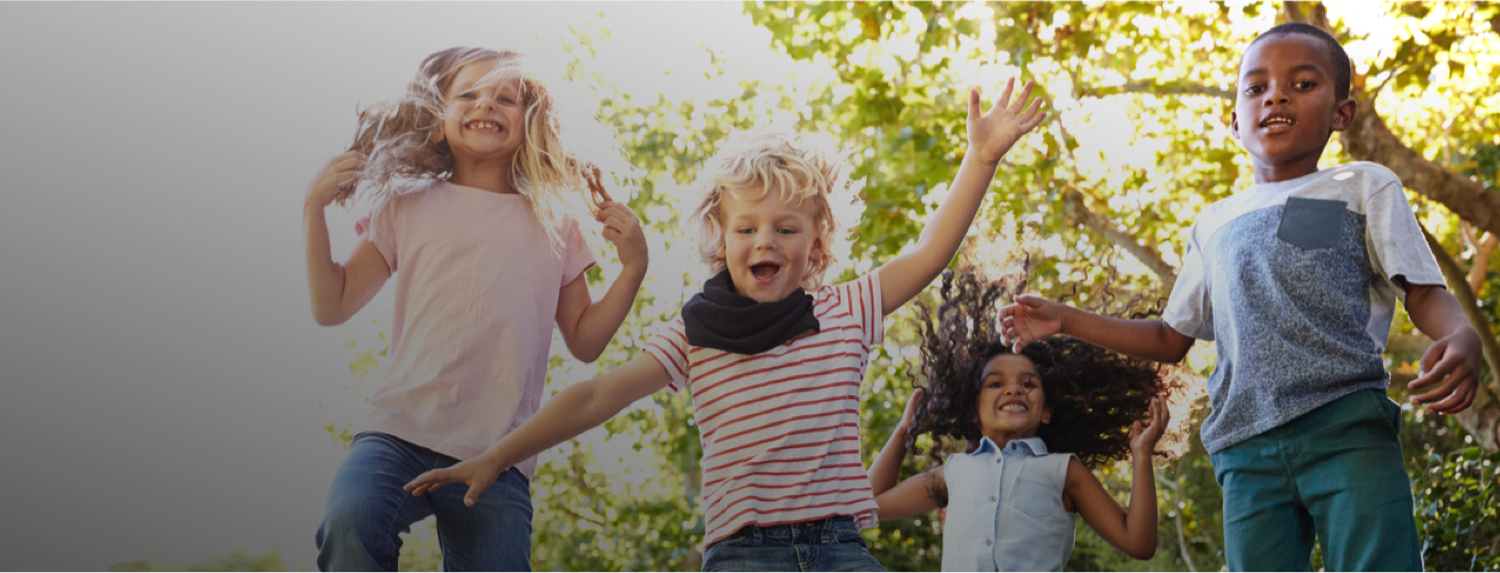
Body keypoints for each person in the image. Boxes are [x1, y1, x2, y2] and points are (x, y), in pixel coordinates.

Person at [402, 79, 1047, 571]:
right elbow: (597, 394)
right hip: (743, 555)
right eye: (747, 228)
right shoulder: (695, 336)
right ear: (723, 239)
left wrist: (981, 158)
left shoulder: (845, 310)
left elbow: (928, 254)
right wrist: (495, 456)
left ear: (816, 245)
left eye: (785, 229)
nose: (764, 240)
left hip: (838, 546)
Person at [999, 23, 1481, 571]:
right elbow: (1169, 336)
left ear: (1341, 114)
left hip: (1345, 426)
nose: (1276, 95)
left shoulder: (1362, 185)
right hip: (1246, 448)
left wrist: (1461, 334)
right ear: (1234, 122)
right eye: (1255, 88)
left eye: (1303, 83)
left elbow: (1420, 290)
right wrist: (1065, 318)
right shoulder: (1214, 223)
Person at [303, 47, 648, 571]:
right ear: (439, 123)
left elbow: (585, 341)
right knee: (349, 523)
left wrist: (632, 270)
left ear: (528, 125)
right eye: (467, 94)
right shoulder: (406, 205)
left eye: (505, 97)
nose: (486, 103)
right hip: (398, 432)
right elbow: (332, 305)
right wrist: (314, 209)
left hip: (498, 453)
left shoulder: (557, 224)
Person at [869, 266, 1171, 571]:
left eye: (1028, 384)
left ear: (1047, 410)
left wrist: (1141, 454)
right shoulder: (954, 472)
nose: (1014, 389)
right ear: (973, 411)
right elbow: (869, 504)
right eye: (996, 384)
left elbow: (1138, 543)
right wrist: (904, 431)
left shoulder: (1064, 471)